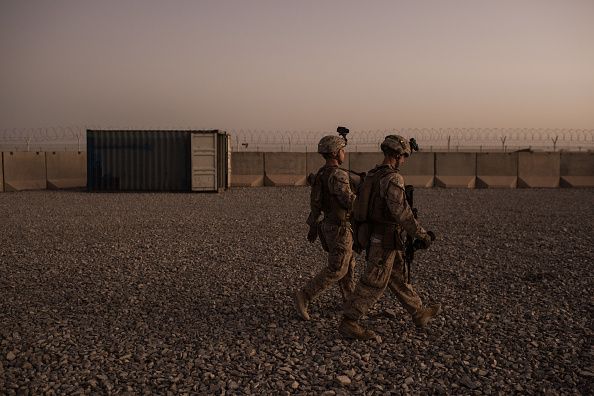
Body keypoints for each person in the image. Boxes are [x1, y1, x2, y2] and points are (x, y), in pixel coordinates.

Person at [339, 135, 441, 340]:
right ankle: (349, 321)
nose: (403, 160)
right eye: (403, 156)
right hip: (384, 239)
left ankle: (418, 313)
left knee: (397, 277)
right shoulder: (393, 178)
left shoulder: (373, 175)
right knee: (373, 281)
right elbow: (401, 213)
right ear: (396, 155)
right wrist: (422, 234)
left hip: (383, 237)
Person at [294, 135, 357, 321]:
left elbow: (315, 204)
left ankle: (349, 300)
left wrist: (313, 226)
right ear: (336, 153)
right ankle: (304, 295)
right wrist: (363, 199)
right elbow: (348, 201)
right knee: (337, 268)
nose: (344, 153)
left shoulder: (321, 174)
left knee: (348, 262)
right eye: (342, 150)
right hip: (339, 227)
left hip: (328, 226)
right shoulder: (338, 175)